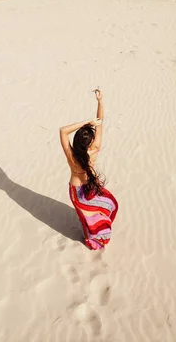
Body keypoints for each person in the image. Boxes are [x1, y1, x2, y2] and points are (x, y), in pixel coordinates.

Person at [59, 88, 119, 250]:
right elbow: (101, 121)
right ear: (90, 141)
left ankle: (89, 236)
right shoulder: (94, 149)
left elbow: (63, 131)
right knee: (103, 208)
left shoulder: (70, 154)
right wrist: (100, 101)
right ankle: (99, 235)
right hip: (90, 189)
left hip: (76, 192)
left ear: (76, 140)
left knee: (85, 216)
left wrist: (86, 122)